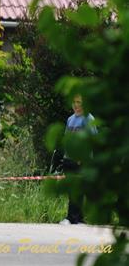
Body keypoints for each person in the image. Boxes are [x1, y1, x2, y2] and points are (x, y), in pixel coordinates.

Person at [59, 94, 95, 225]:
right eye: (74, 102)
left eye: (79, 102)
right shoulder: (70, 119)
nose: (76, 105)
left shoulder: (88, 118)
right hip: (69, 159)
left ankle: (71, 218)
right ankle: (78, 218)